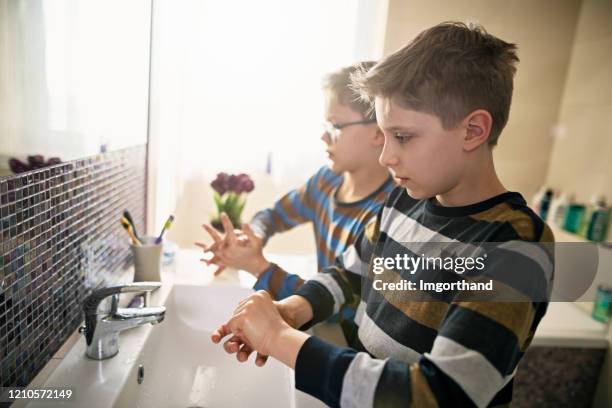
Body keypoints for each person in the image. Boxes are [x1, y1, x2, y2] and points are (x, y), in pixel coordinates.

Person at [211, 21, 555, 407]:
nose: (385, 156)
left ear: (473, 130)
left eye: (403, 137)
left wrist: (279, 338)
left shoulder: (515, 246)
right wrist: (291, 311)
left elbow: (441, 395)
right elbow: (349, 276)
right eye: (385, 134)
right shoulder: (401, 202)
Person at [198, 62, 394, 341]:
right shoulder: (326, 182)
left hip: (351, 344)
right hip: (326, 329)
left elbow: (335, 305)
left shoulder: (387, 213)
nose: (323, 135)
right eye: (325, 124)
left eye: (335, 126)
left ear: (378, 132)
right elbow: (273, 216)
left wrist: (258, 266)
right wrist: (249, 239)